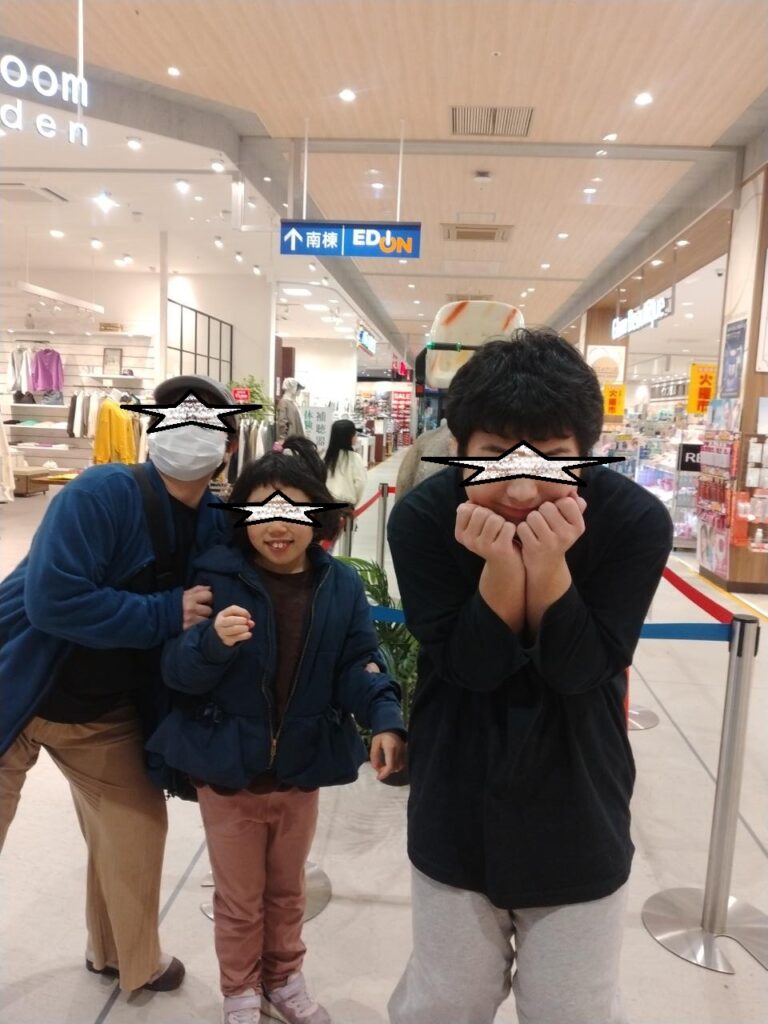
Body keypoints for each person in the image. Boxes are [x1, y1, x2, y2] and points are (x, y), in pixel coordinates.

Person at [387, 330, 673, 1024]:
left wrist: (545, 565)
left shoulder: (634, 521)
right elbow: (470, 667)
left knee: (571, 1007)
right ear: (459, 447)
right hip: (457, 792)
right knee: (445, 1001)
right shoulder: (423, 518)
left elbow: (581, 670)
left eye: (549, 457)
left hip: (579, 798)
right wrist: (500, 569)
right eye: (492, 456)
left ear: (585, 449)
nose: (519, 487)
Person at [145, 444, 407, 1024]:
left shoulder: (338, 585)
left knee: (288, 890)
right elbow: (176, 672)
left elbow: (359, 661)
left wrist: (385, 716)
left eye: (294, 510)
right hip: (227, 771)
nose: (278, 526)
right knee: (239, 897)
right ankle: (240, 990)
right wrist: (210, 644)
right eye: (262, 511)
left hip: (299, 768)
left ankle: (284, 978)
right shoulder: (214, 578)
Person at [0, 374, 241, 994]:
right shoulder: (101, 491)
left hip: (102, 712)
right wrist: (165, 612)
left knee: (135, 832)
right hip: (16, 687)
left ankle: (121, 956)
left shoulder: (217, 521)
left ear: (230, 446)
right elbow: (52, 601)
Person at [323, 419, 366, 508]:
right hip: (345, 505)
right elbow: (360, 484)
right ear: (349, 437)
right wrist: (354, 503)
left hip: (325, 502)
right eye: (354, 434)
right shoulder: (355, 458)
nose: (356, 436)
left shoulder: (325, 456)